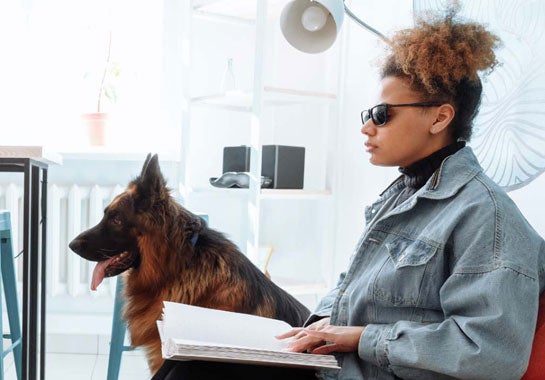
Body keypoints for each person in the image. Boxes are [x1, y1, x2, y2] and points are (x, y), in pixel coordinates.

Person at [153, 6, 545, 380]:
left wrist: (360, 337)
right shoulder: (401, 196)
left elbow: (491, 353)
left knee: (195, 372)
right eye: (368, 115)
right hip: (334, 366)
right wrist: (310, 330)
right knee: (189, 361)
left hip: (363, 371)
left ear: (440, 116)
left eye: (383, 115)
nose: (367, 128)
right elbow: (350, 291)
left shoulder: (488, 218)